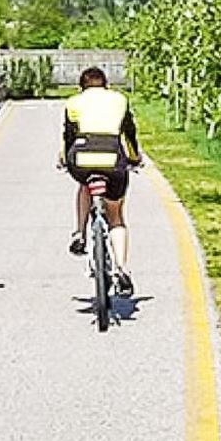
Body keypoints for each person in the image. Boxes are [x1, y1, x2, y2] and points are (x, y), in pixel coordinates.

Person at [62, 66, 143, 296]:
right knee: (116, 217)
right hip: (113, 159)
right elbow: (129, 133)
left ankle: (79, 233)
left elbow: (68, 136)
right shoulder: (119, 100)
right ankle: (122, 268)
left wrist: (65, 159)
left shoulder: (73, 103)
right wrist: (135, 158)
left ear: (81, 86)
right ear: (106, 84)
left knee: (84, 186)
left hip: (81, 159)